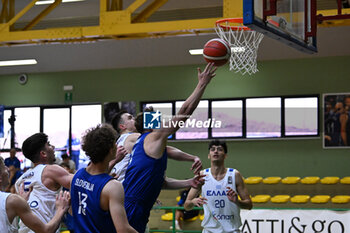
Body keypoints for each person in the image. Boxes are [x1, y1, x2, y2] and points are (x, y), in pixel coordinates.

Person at [122, 62, 217, 233]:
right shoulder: (153, 137)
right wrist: (202, 84)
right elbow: (185, 110)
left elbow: (162, 182)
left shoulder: (146, 145)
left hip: (135, 205)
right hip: (132, 206)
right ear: (149, 125)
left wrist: (188, 182)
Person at [70, 124, 137, 233]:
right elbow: (123, 229)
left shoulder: (77, 175)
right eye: (114, 143)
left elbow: (72, 211)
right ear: (111, 150)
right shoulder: (113, 186)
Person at [109, 110, 203, 182]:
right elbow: (167, 150)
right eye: (130, 118)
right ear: (122, 127)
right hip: (124, 191)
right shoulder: (132, 137)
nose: (133, 119)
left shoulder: (118, 142)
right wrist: (192, 158)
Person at [184, 140, 252, 233]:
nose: (215, 151)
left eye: (219, 149)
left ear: (225, 155)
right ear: (209, 155)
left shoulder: (234, 175)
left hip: (231, 230)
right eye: (212, 149)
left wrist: (237, 201)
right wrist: (193, 201)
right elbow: (186, 205)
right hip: (209, 230)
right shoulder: (202, 175)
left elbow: (249, 205)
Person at [15, 133, 74, 233]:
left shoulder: (20, 180)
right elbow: (80, 181)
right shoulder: (50, 170)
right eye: (49, 144)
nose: (53, 147)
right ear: (43, 153)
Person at [0, 156, 70, 233]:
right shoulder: (12, 200)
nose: (7, 169)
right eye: (4, 167)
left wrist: (22, 201)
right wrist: (61, 209)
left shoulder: (14, 198)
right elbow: (46, 231)